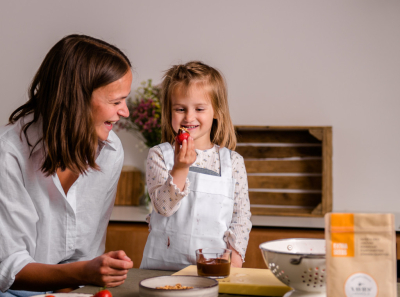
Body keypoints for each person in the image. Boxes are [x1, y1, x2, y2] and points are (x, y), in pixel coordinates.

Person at [0, 34, 134, 296]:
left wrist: (88, 274)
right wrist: (84, 272)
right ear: (77, 100)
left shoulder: (111, 151)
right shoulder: (9, 154)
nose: (125, 111)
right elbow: (8, 267)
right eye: (116, 102)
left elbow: (89, 252)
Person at [140, 61, 252, 271]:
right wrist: (180, 167)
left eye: (199, 108)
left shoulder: (233, 162)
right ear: (169, 111)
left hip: (212, 270)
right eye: (180, 109)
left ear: (217, 111)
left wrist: (233, 264)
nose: (189, 117)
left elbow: (241, 217)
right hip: (161, 270)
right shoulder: (159, 155)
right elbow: (164, 208)